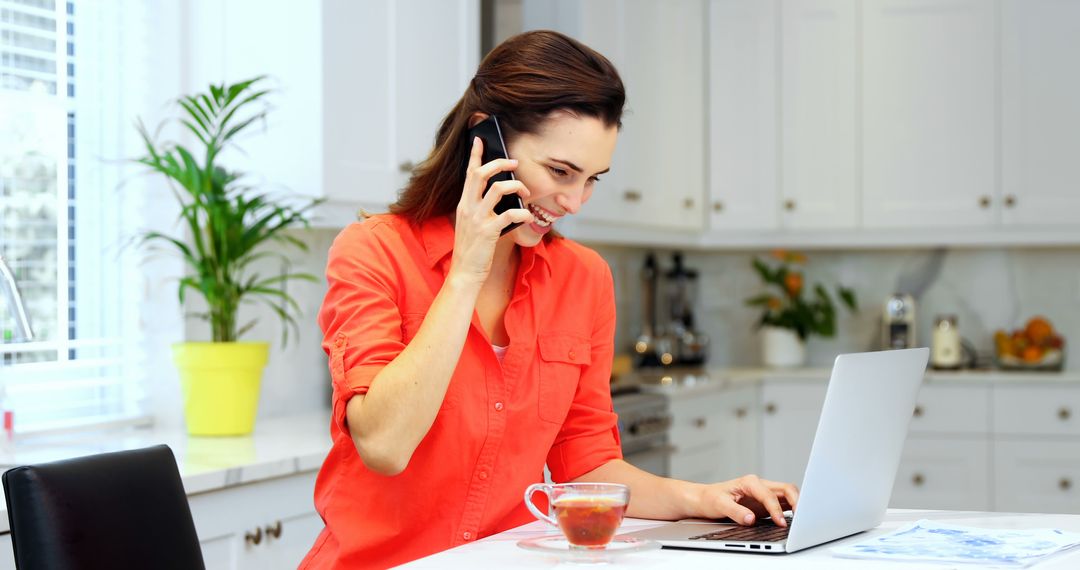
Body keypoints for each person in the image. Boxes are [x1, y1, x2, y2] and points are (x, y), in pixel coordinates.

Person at [300, 30, 799, 569]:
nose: (574, 202)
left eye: (592, 180)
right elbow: (384, 446)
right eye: (560, 172)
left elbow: (584, 463)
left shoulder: (583, 278)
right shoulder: (373, 250)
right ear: (484, 141)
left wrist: (701, 499)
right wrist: (466, 271)